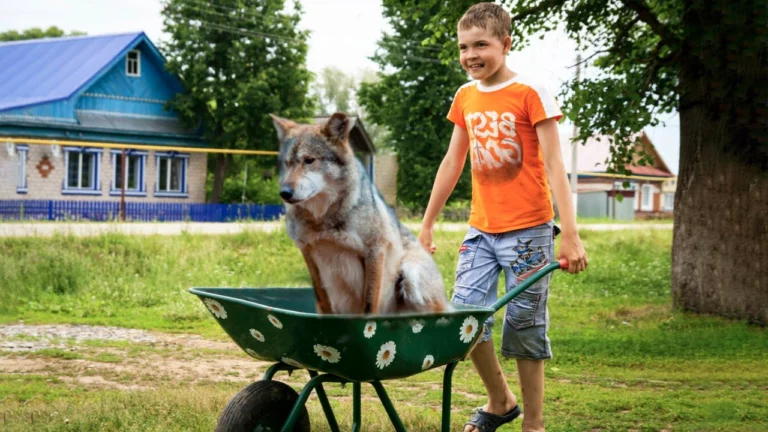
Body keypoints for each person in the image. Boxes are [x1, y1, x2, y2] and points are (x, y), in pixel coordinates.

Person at [417, 3, 589, 431]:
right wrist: (426, 223)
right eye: (463, 47)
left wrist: (569, 234)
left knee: (524, 327)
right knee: (466, 319)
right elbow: (452, 163)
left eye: (481, 45)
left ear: (505, 44)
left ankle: (534, 423)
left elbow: (555, 167)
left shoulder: (531, 92)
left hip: (529, 233)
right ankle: (500, 401)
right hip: (482, 231)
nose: (470, 55)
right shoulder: (465, 97)